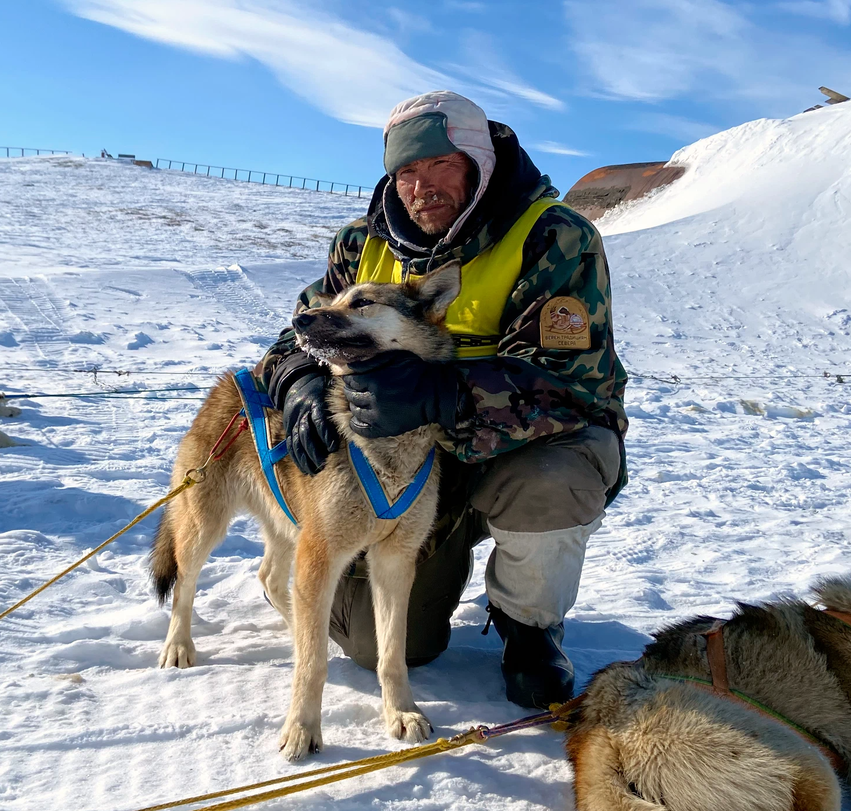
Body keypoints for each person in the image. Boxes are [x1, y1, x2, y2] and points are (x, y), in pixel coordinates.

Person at [255, 91, 627, 709]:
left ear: (480, 162)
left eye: (441, 166)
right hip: (409, 463)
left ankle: (530, 628)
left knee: (552, 479)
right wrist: (295, 377)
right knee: (378, 642)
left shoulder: (553, 237)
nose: (421, 186)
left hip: (524, 453)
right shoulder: (360, 244)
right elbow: (301, 327)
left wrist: (438, 395)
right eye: (406, 173)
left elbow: (570, 384)